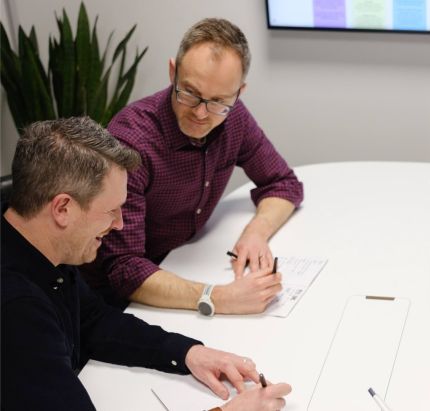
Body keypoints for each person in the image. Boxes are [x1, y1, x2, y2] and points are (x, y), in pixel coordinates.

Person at [1, 117, 291, 410]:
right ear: (63, 208)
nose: (119, 224)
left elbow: (93, 321)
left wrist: (188, 352)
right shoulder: (15, 309)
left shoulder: (41, 243)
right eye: (111, 210)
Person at [81, 18, 304, 315]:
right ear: (173, 72)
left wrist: (256, 232)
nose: (201, 113)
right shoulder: (132, 141)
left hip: (189, 260)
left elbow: (283, 183)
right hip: (120, 300)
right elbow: (124, 269)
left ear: (239, 92)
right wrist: (218, 298)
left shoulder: (234, 117)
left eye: (218, 101)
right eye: (189, 93)